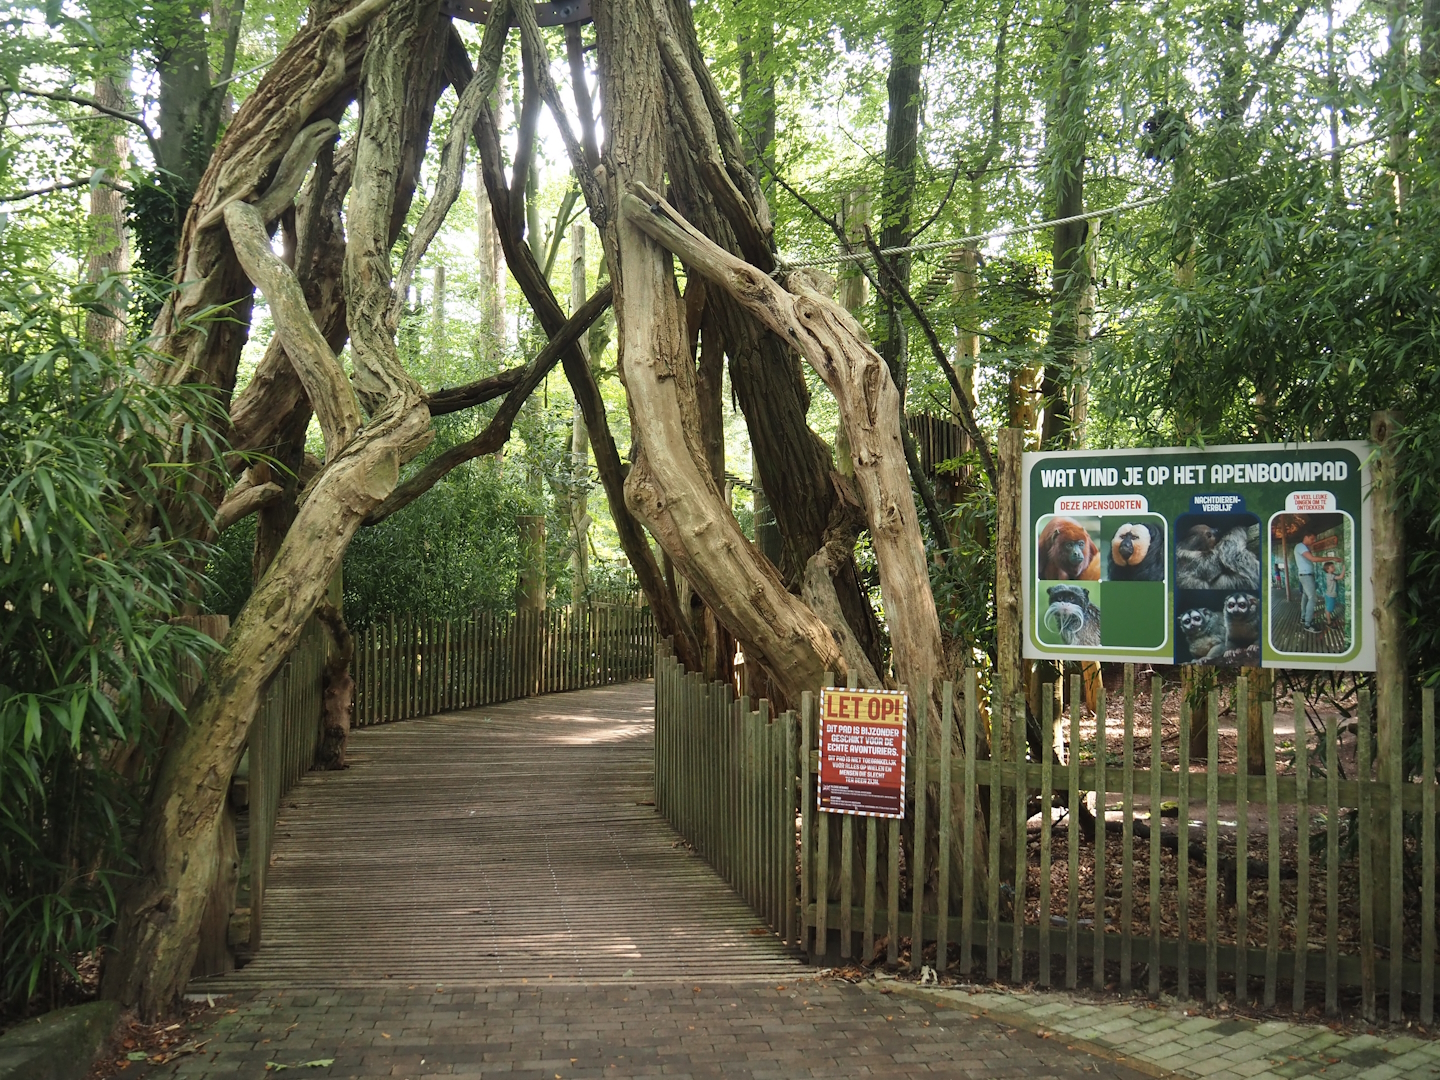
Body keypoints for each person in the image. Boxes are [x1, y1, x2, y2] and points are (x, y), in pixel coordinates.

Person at [1293, 532, 1324, 631]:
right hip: (1306, 576)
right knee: (1313, 598)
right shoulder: (1300, 546)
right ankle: (1308, 624)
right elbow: (1312, 559)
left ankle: (1303, 618)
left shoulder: (1304, 547)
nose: (1313, 541)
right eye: (1312, 539)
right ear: (1305, 536)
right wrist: (1332, 558)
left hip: (1306, 575)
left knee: (1306, 596)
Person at [1322, 560, 1346, 627]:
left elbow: (1339, 576)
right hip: (1330, 596)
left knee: (1329, 608)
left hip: (1330, 595)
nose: (1334, 568)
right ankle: (1329, 622)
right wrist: (1344, 568)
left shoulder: (1331, 575)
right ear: (1327, 569)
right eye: (1332, 567)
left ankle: (1328, 618)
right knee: (1328, 609)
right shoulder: (1330, 576)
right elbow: (1341, 577)